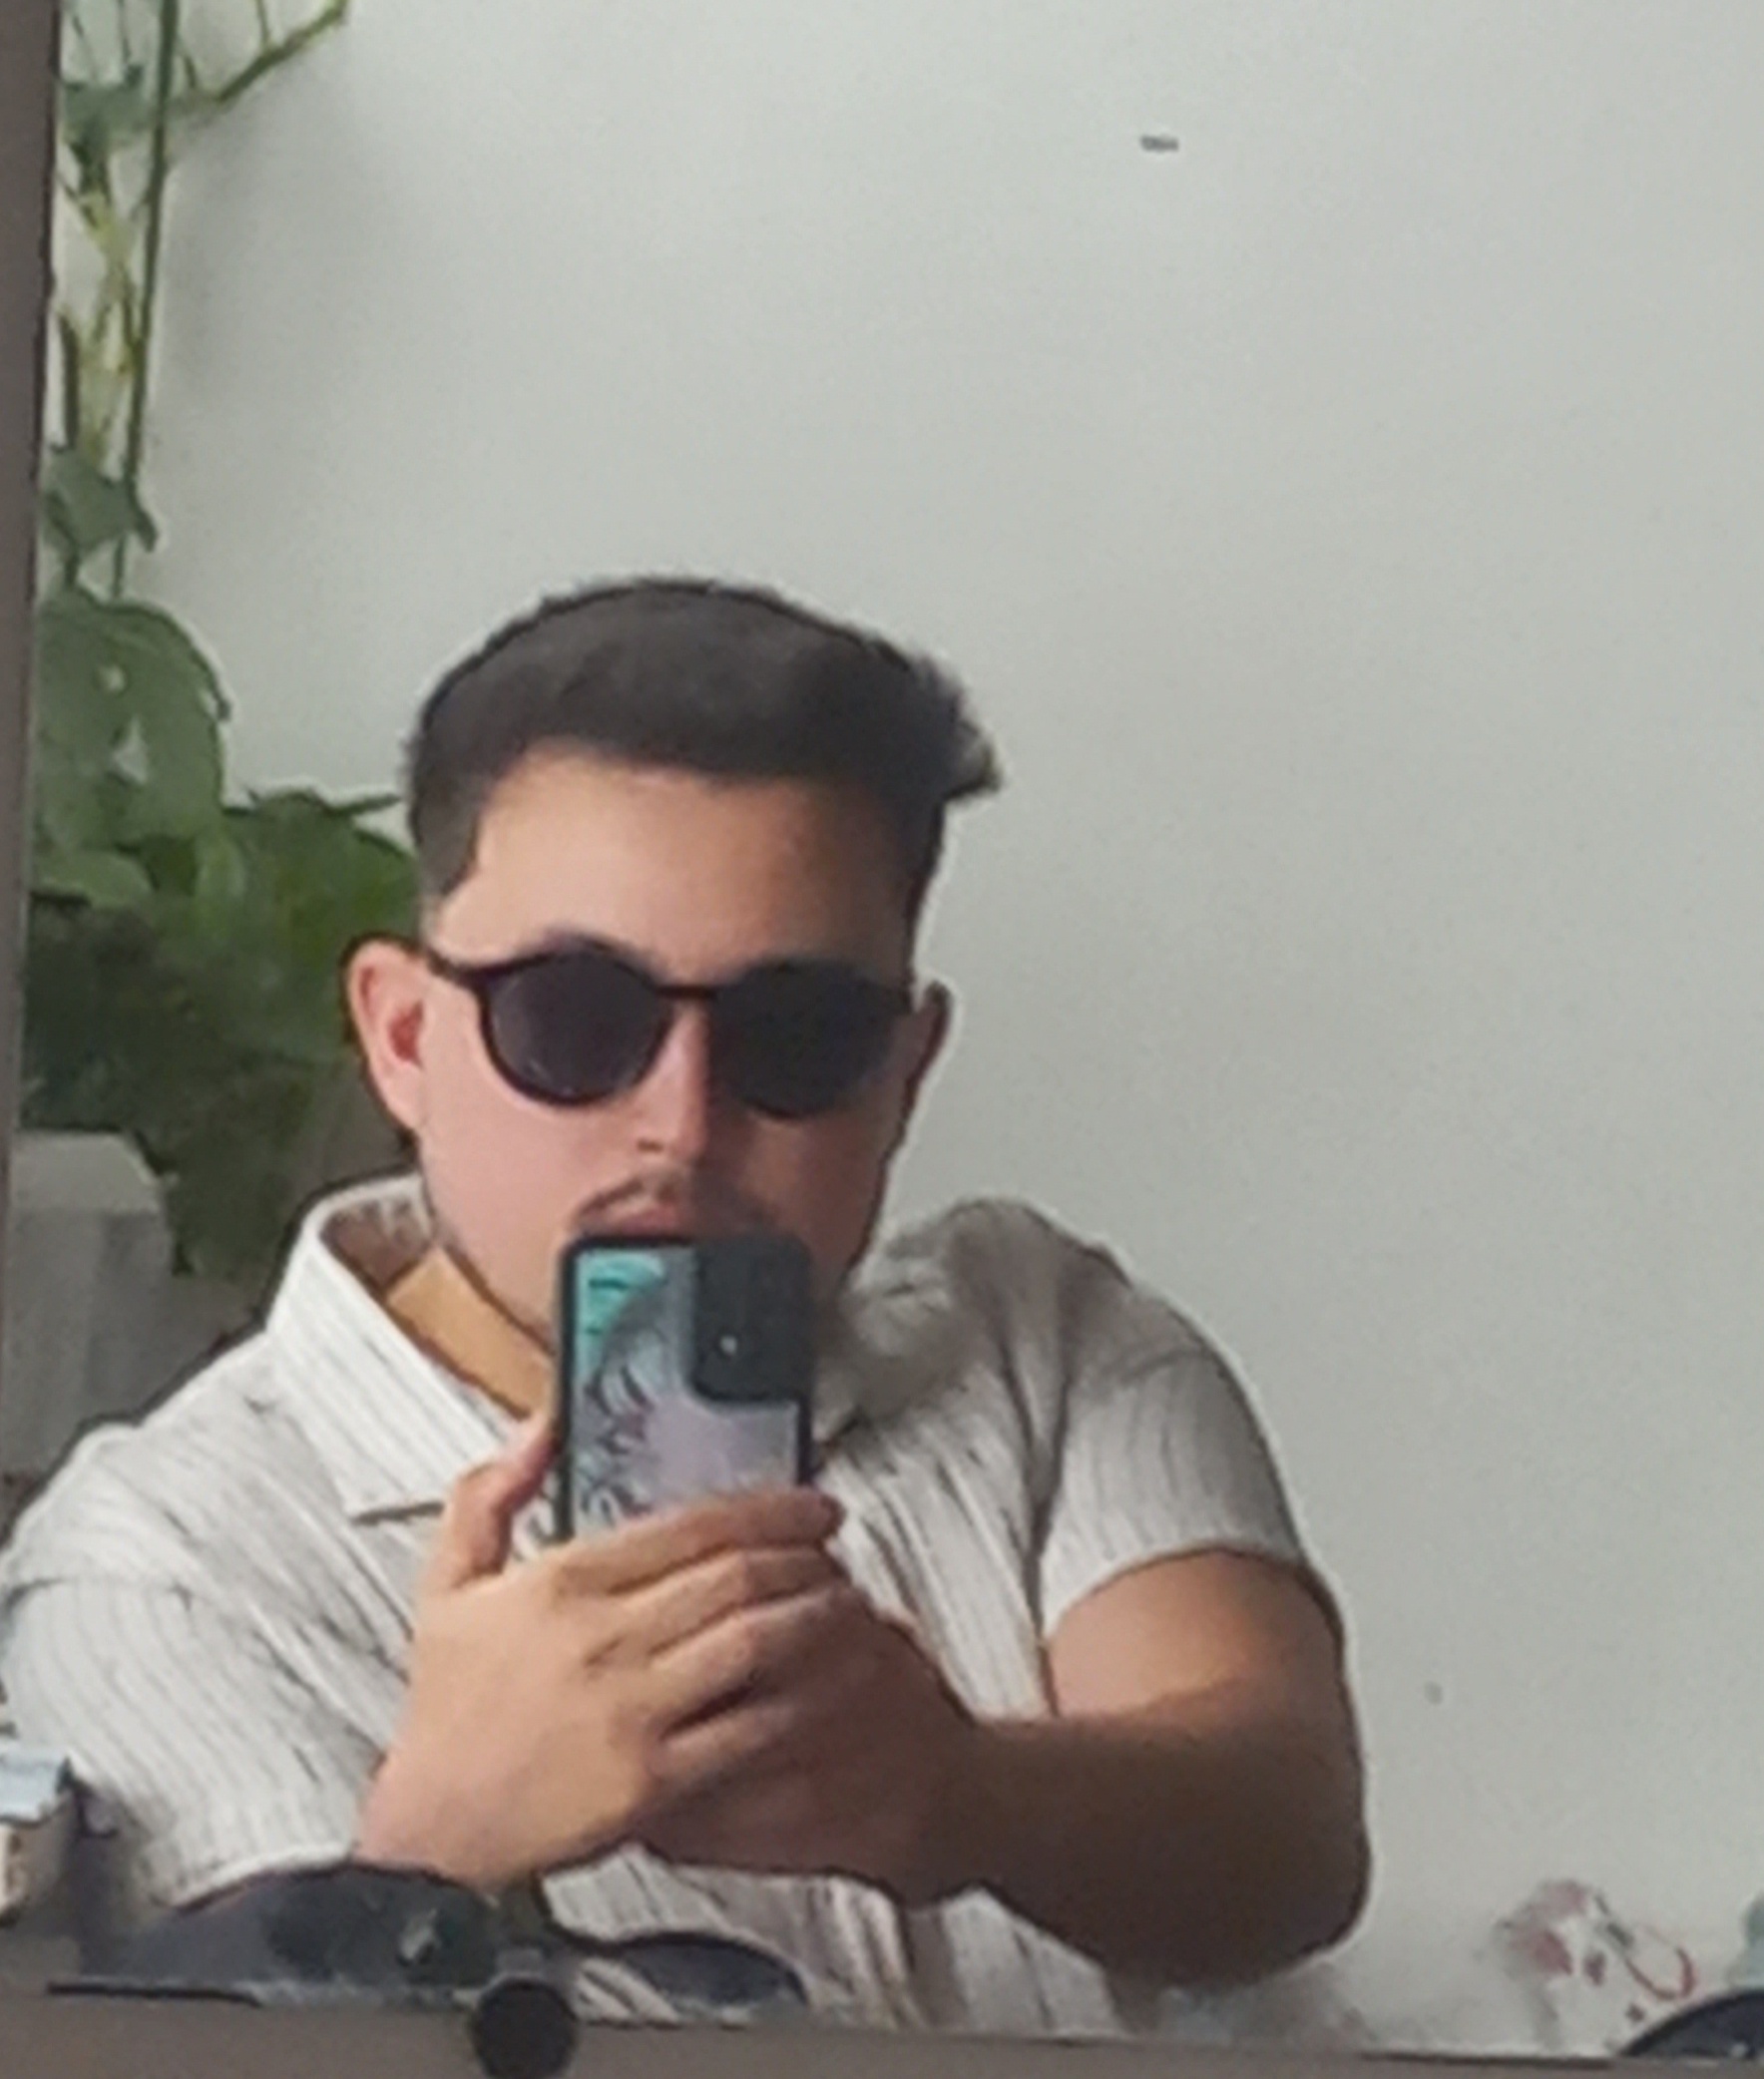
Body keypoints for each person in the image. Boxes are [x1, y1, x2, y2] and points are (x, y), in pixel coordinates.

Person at [0, 579, 1369, 2035]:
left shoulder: (1042, 1336)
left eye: (798, 1033)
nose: (683, 1123)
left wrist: (964, 1795)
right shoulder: (160, 1560)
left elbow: (1293, 1848)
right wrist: (430, 1855)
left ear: (905, 1071)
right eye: (573, 1018)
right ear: (402, 1038)